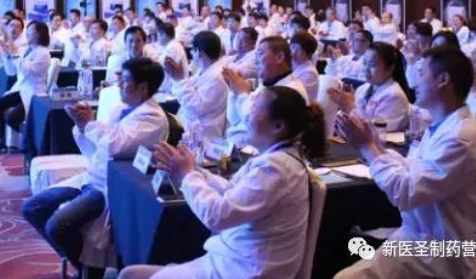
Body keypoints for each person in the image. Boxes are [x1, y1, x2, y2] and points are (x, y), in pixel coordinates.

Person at [119, 86, 327, 279]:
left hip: (245, 271)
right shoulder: (275, 158)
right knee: (130, 274)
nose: (247, 116)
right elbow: (231, 190)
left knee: (131, 275)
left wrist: (188, 175)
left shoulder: (276, 168)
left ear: (278, 126)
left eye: (255, 109)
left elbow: (217, 216)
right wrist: (195, 170)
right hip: (235, 262)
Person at [334, 46, 476, 279]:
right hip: (420, 238)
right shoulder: (444, 125)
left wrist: (368, 148)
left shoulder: (461, 138)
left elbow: (406, 192)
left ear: (443, 80)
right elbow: (412, 169)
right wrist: (375, 145)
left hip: (446, 253)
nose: (414, 82)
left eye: (422, 73)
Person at [22, 58, 168, 279]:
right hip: (91, 176)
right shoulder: (121, 109)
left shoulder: (153, 118)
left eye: (125, 80)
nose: (119, 84)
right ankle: (82, 265)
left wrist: (89, 124)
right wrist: (81, 126)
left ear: (143, 87)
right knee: (32, 208)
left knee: (56, 226)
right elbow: (96, 149)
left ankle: (89, 270)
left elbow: (116, 144)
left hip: (110, 187)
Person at [224, 36, 308, 148]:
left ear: (279, 57)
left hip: (258, 150)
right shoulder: (267, 84)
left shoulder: (292, 92)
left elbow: (253, 123)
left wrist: (242, 94)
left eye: (260, 54)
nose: (256, 61)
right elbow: (233, 119)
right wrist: (234, 91)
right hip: (237, 144)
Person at [0, 21, 51, 154]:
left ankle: (31, 139)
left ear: (40, 33)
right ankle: (3, 142)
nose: (27, 33)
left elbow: (29, 70)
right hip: (22, 89)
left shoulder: (44, 53)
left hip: (34, 93)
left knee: (12, 118)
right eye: (27, 30)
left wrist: (15, 55)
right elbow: (11, 71)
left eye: (31, 30)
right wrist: (7, 54)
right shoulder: (28, 50)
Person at [328, 42, 411, 133]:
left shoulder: (394, 95)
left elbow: (375, 131)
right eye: (364, 63)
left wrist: (350, 106)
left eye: (372, 65)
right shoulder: (363, 89)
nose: (366, 69)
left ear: (389, 69)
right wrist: (343, 106)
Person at [165, 31, 228, 146]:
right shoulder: (203, 71)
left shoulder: (217, 77)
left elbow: (197, 106)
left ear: (199, 52)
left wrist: (179, 80)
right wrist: (177, 78)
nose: (191, 53)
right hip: (190, 129)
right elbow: (183, 93)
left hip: (204, 137)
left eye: (193, 50)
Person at [157, 22, 189, 93]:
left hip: (175, 89)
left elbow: (163, 69)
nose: (157, 38)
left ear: (164, 35)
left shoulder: (172, 48)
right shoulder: (173, 45)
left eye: (158, 35)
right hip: (174, 86)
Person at [290, 31, 320, 102]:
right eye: (293, 47)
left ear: (309, 54)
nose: (294, 52)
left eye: (299, 50)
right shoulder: (290, 65)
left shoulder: (309, 72)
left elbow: (294, 97)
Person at [404, 22, 433, 88]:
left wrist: (416, 55)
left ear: (427, 36)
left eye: (418, 34)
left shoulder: (431, 51)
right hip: (411, 83)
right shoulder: (413, 47)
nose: (416, 36)